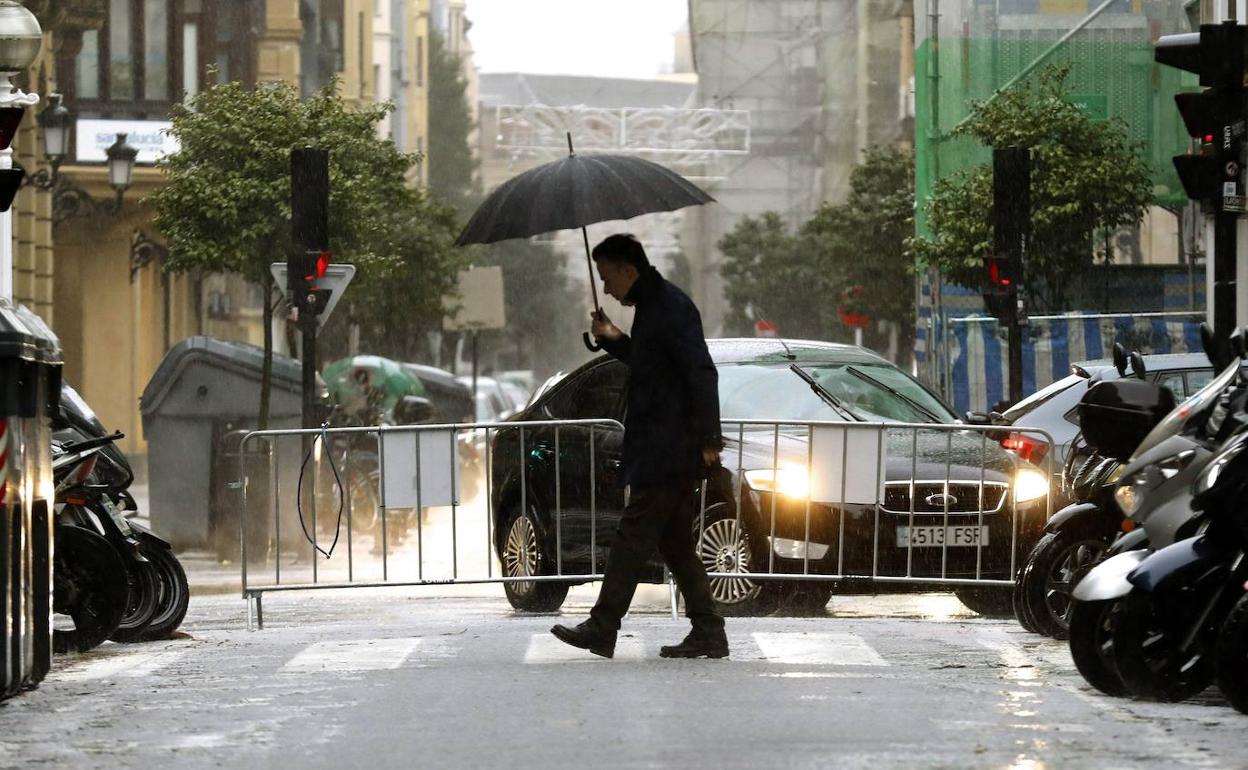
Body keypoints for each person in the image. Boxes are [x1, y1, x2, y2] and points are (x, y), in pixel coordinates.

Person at [550, 234, 728, 660]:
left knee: (631, 537)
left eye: (607, 275)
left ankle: (603, 624)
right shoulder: (653, 309)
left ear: (629, 270)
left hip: (669, 446)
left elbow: (702, 372)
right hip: (660, 442)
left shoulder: (670, 308)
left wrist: (708, 437)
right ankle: (708, 630)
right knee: (676, 545)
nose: (606, 286)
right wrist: (612, 337)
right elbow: (650, 367)